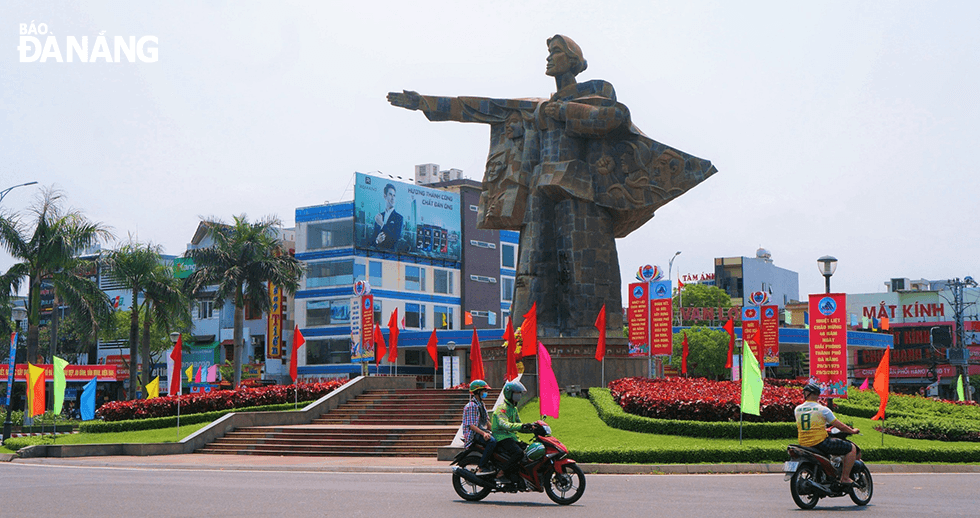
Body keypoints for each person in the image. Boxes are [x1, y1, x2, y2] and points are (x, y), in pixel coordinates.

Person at [795, 382, 861, 485]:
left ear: (806, 394)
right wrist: (852, 431)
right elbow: (840, 425)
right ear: (817, 395)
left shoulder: (797, 409)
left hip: (803, 443)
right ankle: (845, 478)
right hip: (820, 443)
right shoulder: (823, 409)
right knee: (851, 448)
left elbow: (809, 426)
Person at [492, 380, 532, 483]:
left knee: (529, 451)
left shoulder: (513, 408)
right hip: (501, 437)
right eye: (516, 393)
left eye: (519, 393)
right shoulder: (502, 408)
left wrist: (532, 428)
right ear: (509, 393)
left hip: (511, 437)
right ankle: (502, 472)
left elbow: (519, 424)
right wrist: (522, 426)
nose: (518, 396)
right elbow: (504, 425)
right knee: (518, 453)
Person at [461, 380, 497, 476]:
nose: (485, 393)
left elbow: (486, 421)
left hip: (481, 431)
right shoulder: (472, 406)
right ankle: (482, 466)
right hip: (474, 434)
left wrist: (495, 431)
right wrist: (484, 434)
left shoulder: (481, 404)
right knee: (492, 442)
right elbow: (472, 426)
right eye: (483, 391)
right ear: (477, 392)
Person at [372, 183, 403, 250]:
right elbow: (372, 240)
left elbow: (395, 239)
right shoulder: (379, 216)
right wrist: (377, 240)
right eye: (390, 195)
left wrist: (382, 224)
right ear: (385, 196)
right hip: (376, 254)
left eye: (394, 195)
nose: (392, 198)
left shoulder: (399, 218)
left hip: (392, 256)